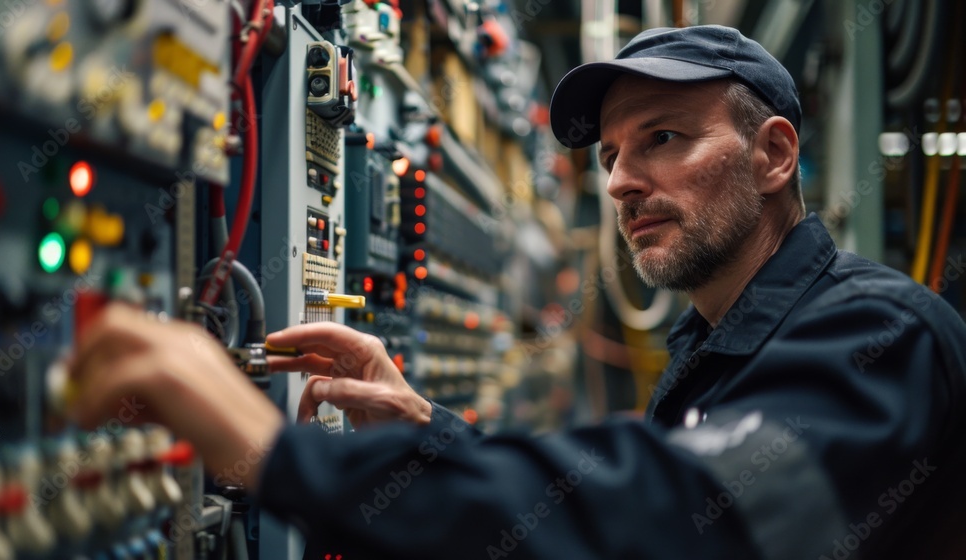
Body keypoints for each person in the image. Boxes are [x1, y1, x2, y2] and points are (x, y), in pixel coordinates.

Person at [71, 25, 966, 559]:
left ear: (772, 154)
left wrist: (274, 451)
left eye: (662, 138)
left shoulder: (882, 336)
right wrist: (427, 433)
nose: (619, 182)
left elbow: (672, 519)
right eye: (612, 155)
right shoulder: (714, 347)